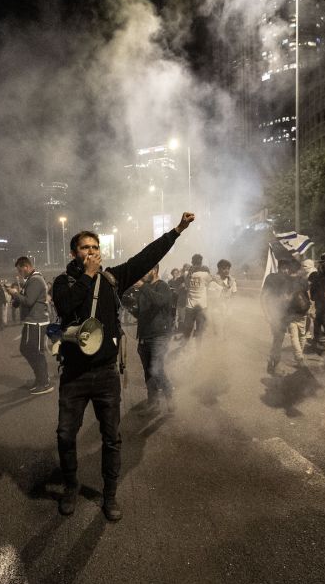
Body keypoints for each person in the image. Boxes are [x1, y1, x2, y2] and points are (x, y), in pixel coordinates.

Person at [52, 212, 195, 522]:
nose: (90, 252)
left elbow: (147, 257)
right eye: (84, 248)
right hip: (74, 375)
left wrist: (177, 231)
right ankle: (71, 486)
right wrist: (88, 276)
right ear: (74, 253)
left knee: (111, 437)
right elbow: (66, 307)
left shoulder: (112, 279)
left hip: (105, 374)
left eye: (94, 247)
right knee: (65, 435)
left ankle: (110, 494)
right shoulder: (64, 282)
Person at [129, 265, 175, 413]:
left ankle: (170, 397)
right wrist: (130, 306)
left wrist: (143, 287)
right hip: (144, 336)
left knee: (157, 370)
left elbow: (159, 301)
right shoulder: (145, 289)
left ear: (154, 270)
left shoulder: (163, 286)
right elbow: (142, 313)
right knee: (148, 371)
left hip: (159, 336)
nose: (142, 275)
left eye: (146, 271)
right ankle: (153, 403)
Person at [10, 257, 52, 395]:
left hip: (37, 321)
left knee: (34, 351)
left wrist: (15, 293)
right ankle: (41, 378)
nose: (19, 273)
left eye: (20, 270)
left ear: (26, 266)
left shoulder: (35, 280)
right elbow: (24, 300)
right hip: (33, 320)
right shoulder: (31, 280)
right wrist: (16, 296)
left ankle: (44, 382)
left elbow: (28, 301)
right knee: (28, 349)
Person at [261, 258, 310, 375]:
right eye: (288, 269)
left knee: (278, 340)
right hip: (276, 315)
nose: (289, 272)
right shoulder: (272, 279)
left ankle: (272, 362)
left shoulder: (286, 279)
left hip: (283, 314)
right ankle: (275, 366)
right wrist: (267, 314)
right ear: (284, 268)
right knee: (278, 340)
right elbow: (264, 297)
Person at [181, 253, 211, 340]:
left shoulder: (186, 273)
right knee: (199, 330)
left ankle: (186, 348)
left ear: (192, 262)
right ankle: (198, 350)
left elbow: (186, 285)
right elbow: (210, 283)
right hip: (201, 306)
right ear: (201, 262)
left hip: (190, 306)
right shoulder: (205, 274)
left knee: (188, 330)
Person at [213, 259, 237, 339]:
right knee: (217, 330)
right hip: (216, 309)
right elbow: (210, 298)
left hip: (228, 308)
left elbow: (234, 294)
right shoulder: (213, 281)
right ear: (219, 269)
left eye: (228, 269)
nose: (227, 271)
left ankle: (225, 346)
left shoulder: (232, 281)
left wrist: (231, 306)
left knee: (227, 328)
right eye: (224, 268)